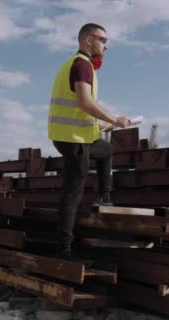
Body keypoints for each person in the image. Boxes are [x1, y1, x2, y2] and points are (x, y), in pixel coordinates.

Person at [47, 23, 130, 259]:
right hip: (71, 139)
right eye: (103, 40)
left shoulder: (79, 65)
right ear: (87, 40)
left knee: (105, 151)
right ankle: (63, 250)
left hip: (79, 135)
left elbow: (79, 110)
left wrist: (106, 124)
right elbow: (85, 103)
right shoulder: (81, 65)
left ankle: (104, 197)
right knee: (72, 194)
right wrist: (114, 117)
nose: (106, 45)